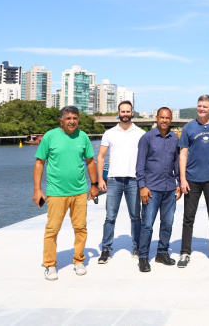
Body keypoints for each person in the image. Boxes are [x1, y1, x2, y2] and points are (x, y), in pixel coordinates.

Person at [32, 106, 99, 281]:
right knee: (52, 229)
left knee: (80, 228)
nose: (72, 121)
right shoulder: (50, 136)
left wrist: (94, 185)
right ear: (61, 120)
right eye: (68, 118)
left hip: (79, 191)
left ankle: (79, 261)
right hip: (56, 192)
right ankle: (50, 265)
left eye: (75, 118)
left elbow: (90, 161)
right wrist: (37, 190)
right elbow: (39, 163)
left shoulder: (83, 137)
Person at [178, 94, 209, 267]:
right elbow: (183, 154)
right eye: (199, 106)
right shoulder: (189, 127)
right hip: (191, 179)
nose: (201, 109)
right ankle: (185, 252)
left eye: (205, 106)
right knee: (188, 217)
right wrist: (182, 179)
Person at [96, 101, 144, 264]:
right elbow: (101, 157)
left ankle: (137, 247)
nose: (125, 114)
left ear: (132, 113)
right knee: (110, 217)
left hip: (134, 180)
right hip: (114, 180)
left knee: (136, 217)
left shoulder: (140, 133)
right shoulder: (109, 133)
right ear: (118, 113)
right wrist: (100, 179)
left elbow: (146, 158)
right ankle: (106, 249)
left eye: (128, 111)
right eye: (122, 111)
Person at [136, 107, 182, 272]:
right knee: (147, 225)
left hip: (169, 188)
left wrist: (179, 182)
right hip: (151, 189)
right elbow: (140, 164)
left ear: (171, 120)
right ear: (157, 118)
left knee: (167, 223)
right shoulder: (147, 138)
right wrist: (142, 186)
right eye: (162, 117)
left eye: (167, 118)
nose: (164, 120)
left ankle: (162, 253)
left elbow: (176, 162)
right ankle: (143, 257)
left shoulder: (175, 138)